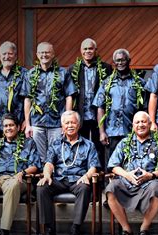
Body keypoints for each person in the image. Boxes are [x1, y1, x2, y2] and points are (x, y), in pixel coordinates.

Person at [105, 111, 158, 235]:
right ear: (133, 125)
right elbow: (113, 165)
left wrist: (151, 175)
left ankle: (144, 229)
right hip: (127, 182)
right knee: (111, 187)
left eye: (143, 122)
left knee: (157, 188)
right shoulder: (125, 142)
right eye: (137, 122)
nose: (140, 125)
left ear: (149, 124)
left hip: (149, 183)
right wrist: (127, 175)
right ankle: (126, 230)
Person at [36, 111, 101, 235]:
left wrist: (87, 176)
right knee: (42, 188)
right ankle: (49, 230)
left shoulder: (89, 145)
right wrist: (47, 176)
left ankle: (75, 229)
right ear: (62, 125)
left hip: (78, 179)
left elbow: (93, 166)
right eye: (67, 123)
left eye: (73, 122)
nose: (70, 125)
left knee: (84, 187)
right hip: (59, 179)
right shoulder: (55, 143)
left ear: (79, 125)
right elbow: (49, 163)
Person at [22, 42, 77, 162]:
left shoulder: (63, 72)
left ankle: (54, 181)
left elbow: (69, 96)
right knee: (39, 157)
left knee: (56, 155)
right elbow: (27, 99)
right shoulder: (30, 74)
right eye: (41, 52)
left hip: (56, 123)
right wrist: (28, 124)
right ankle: (42, 180)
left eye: (47, 52)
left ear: (53, 54)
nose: (44, 55)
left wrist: (66, 122)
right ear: (37, 54)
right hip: (37, 122)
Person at [93, 48, 146, 165]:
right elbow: (100, 107)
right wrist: (102, 132)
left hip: (132, 132)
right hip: (111, 132)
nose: (120, 63)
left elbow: (145, 109)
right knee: (112, 165)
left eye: (123, 60)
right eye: (117, 61)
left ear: (129, 61)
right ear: (114, 63)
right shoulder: (107, 83)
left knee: (131, 164)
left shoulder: (139, 83)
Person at [69, 38, 112, 169]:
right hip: (80, 114)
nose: (88, 51)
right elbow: (69, 94)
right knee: (80, 147)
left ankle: (99, 180)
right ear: (81, 51)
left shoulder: (106, 68)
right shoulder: (73, 69)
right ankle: (82, 177)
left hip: (98, 115)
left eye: (90, 48)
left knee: (99, 147)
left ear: (95, 50)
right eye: (85, 49)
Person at [0, 41, 27, 142]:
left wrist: (26, 121)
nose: (7, 56)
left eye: (10, 53)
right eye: (4, 54)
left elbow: (29, 99)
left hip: (17, 124)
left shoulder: (24, 74)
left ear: (15, 56)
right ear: (0, 56)